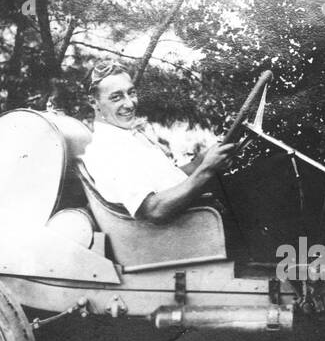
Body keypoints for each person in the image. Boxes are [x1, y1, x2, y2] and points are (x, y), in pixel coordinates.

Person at [80, 60, 235, 223]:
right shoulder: (108, 149)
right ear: (93, 102)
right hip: (182, 236)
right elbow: (153, 210)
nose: (129, 103)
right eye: (116, 97)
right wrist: (206, 170)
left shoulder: (127, 136)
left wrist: (201, 161)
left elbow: (169, 181)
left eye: (131, 93)